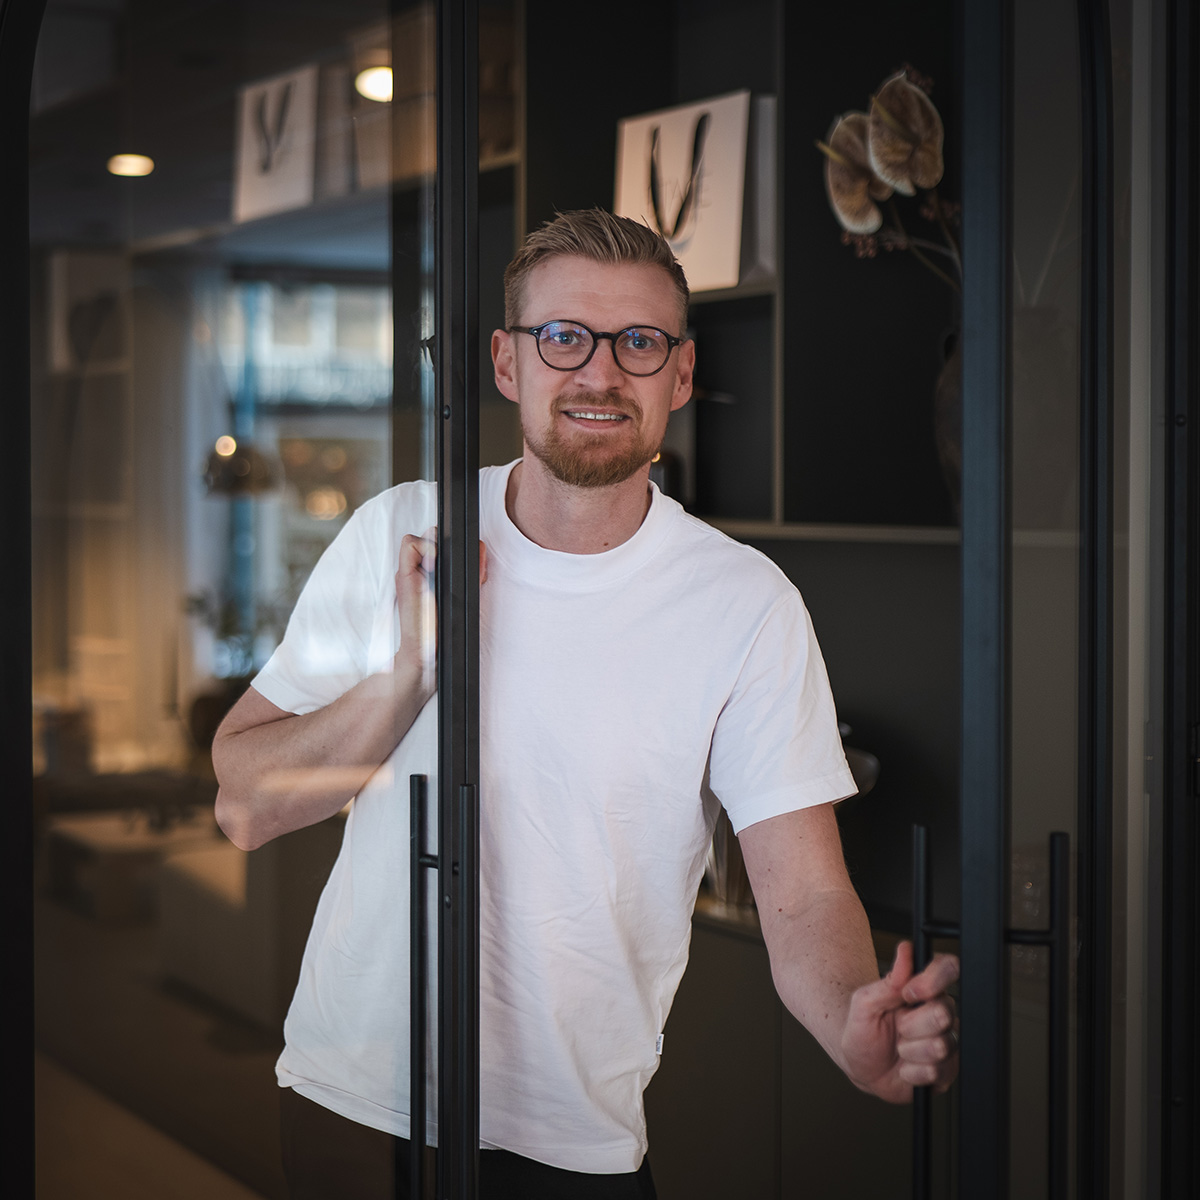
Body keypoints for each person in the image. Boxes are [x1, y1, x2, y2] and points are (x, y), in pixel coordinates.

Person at [213, 209, 959, 1200]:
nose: (600, 372)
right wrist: (411, 673)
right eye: (564, 336)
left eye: (638, 342)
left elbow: (807, 894)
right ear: (507, 362)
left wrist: (849, 1019)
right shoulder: (401, 532)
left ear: (680, 375)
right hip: (354, 1105)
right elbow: (245, 803)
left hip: (573, 1139)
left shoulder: (745, 604)